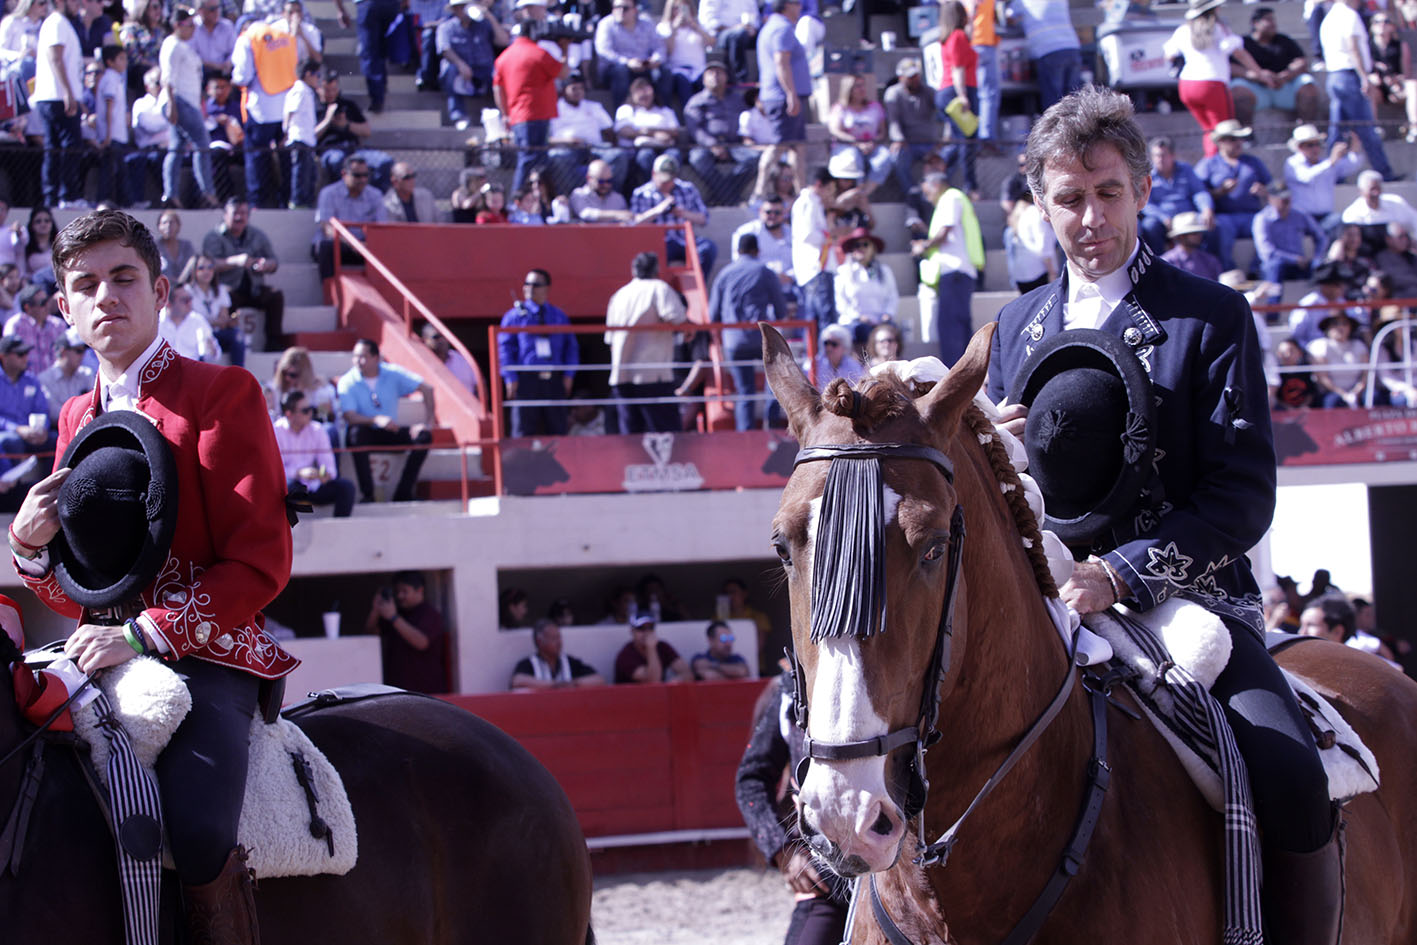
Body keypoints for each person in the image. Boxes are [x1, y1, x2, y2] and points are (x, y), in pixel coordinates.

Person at [987, 85, 1341, 945]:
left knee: (1290, 779)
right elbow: (1003, 500)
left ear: (1141, 190)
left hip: (1188, 606)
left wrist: (1124, 571)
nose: (1089, 216)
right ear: (1040, 205)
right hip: (1048, 603)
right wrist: (989, 451)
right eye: (1068, 198)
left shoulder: (1210, 316)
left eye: (1107, 192)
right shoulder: (1013, 328)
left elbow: (1240, 496)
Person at [12, 209, 294, 945]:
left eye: (123, 277)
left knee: (199, 825)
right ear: (65, 309)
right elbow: (83, 589)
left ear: (160, 289)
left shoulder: (221, 392)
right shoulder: (75, 415)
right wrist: (33, 549)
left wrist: (143, 632)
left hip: (211, 652)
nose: (106, 295)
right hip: (100, 651)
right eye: (85, 284)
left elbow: (262, 562)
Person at [735, 674, 850, 944]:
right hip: (827, 882)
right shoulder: (793, 689)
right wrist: (782, 850)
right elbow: (751, 779)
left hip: (903, 883)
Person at [336, 337, 435, 503]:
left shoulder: (392, 373)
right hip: (366, 432)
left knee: (424, 437)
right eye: (355, 356)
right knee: (355, 434)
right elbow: (349, 416)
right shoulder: (347, 381)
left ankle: (403, 493)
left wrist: (427, 424)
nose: (358, 361)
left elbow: (427, 389)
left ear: (376, 358)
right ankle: (368, 494)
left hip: (391, 431)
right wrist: (375, 420)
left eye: (363, 356)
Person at [709, 231, 790, 431]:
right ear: (757, 251)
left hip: (734, 341)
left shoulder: (724, 274)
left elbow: (712, 315)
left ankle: (745, 433)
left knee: (744, 391)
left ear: (738, 251)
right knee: (774, 384)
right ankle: (771, 426)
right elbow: (781, 310)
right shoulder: (764, 272)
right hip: (761, 338)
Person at [1162, 0, 1258, 159]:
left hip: (1187, 85)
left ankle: (1210, 161)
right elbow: (1237, 52)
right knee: (1223, 131)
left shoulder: (1183, 30)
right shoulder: (1219, 29)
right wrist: (1260, 73)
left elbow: (1169, 55)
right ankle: (1216, 168)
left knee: (1209, 131)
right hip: (1212, 84)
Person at [605, 251, 687, 434]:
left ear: (634, 270)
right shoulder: (659, 288)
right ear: (656, 269)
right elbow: (677, 318)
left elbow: (609, 340)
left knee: (631, 436)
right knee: (667, 437)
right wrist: (689, 329)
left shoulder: (619, 295)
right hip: (653, 376)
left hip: (622, 375)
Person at [1320, 0, 1396, 181]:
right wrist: (1364, 76)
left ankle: (1332, 176)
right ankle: (1385, 173)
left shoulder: (1329, 17)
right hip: (1350, 76)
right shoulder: (1349, 15)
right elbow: (1353, 47)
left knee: (1337, 131)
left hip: (1334, 76)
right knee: (1367, 128)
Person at [497, 268, 578, 436]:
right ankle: (523, 463)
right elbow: (504, 349)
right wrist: (510, 377)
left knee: (557, 429)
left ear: (546, 288)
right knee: (523, 430)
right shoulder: (514, 317)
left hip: (554, 380)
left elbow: (571, 347)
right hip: (526, 381)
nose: (529, 288)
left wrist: (569, 375)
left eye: (535, 284)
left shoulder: (559, 316)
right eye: (527, 283)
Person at [914, 171, 982, 366]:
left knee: (951, 329)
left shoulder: (950, 198)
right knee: (959, 327)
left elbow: (944, 232)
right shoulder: (955, 198)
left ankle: (955, 376)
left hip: (954, 274)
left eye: (927, 192)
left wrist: (923, 246)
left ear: (935, 185)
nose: (927, 198)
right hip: (959, 275)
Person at [492, 18, 566, 197]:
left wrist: (506, 114)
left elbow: (497, 89)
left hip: (518, 117)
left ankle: (533, 202)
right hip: (536, 115)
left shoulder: (504, 56)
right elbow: (563, 72)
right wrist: (565, 48)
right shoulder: (538, 53)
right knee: (530, 161)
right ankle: (516, 201)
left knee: (533, 161)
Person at [203, 198, 286, 351]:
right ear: (225, 215)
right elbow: (209, 265)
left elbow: (274, 262)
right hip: (228, 289)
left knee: (275, 296)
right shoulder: (214, 237)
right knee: (227, 298)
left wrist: (265, 265)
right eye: (235, 213)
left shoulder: (257, 235)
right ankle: (228, 342)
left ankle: (273, 343)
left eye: (243, 213)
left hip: (254, 288)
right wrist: (235, 261)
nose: (239, 217)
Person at [230, 17, 297, 208]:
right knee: (285, 158)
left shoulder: (247, 39)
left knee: (256, 157)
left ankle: (256, 203)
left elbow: (242, 76)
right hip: (286, 108)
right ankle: (287, 201)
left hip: (261, 110)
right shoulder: (283, 35)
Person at [159, 6, 218, 209]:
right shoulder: (172, 45)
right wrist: (171, 104)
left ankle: (171, 194)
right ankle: (207, 193)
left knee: (176, 148)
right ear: (177, 25)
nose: (193, 28)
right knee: (202, 143)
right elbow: (168, 76)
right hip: (178, 100)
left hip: (187, 101)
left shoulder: (184, 46)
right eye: (189, 25)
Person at [1194, 118, 1271, 273]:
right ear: (1221, 142)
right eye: (1233, 139)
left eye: (1240, 139)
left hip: (1252, 215)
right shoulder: (1208, 164)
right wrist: (1219, 192)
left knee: (1268, 224)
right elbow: (1198, 192)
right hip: (1224, 216)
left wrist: (1264, 191)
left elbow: (1272, 186)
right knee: (1221, 228)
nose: (1238, 143)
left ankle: (1257, 270)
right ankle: (1227, 271)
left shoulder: (1253, 162)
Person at [753, 0, 809, 200]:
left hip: (783, 95)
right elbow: (781, 63)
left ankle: (801, 191)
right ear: (787, 5)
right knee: (778, 145)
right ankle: (758, 192)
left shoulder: (772, 26)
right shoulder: (781, 28)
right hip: (783, 96)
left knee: (797, 146)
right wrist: (790, 94)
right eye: (797, 3)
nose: (800, 7)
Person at [630, 153, 718, 276]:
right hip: (658, 242)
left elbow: (704, 219)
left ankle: (697, 286)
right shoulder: (641, 193)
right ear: (654, 174)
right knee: (649, 257)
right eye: (663, 180)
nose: (667, 184)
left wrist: (683, 213)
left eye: (670, 180)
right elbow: (634, 222)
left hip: (684, 240)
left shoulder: (688, 189)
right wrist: (658, 210)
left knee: (708, 248)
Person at [1231, 6, 1319, 128]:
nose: (1273, 24)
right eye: (1268, 20)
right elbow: (1231, 67)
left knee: (1307, 83)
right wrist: (1258, 76)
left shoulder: (1284, 40)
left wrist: (1285, 76)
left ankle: (1306, 130)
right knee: (1237, 89)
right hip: (1255, 89)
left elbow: (1301, 62)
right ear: (1255, 23)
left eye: (1273, 20)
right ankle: (1246, 135)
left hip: (1283, 87)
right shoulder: (1243, 43)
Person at [685, 56, 756, 206]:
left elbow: (748, 120)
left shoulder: (737, 100)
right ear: (703, 79)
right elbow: (695, 129)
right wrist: (712, 144)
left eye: (719, 72)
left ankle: (723, 194)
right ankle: (731, 199)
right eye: (711, 73)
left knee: (755, 158)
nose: (715, 76)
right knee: (697, 159)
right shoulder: (696, 101)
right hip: (706, 146)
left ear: (726, 77)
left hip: (735, 144)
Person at [34, 0, 85, 208]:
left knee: (54, 149)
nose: (78, 4)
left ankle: (54, 197)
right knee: (68, 147)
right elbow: (55, 57)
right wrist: (68, 92)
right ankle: (68, 196)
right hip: (57, 97)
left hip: (53, 96)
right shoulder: (57, 22)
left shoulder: (56, 23)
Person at [273, 388, 354, 516]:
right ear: (289, 414)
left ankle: (338, 530)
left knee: (346, 488)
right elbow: (274, 471)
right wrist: (298, 473)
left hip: (314, 485)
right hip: (291, 486)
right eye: (305, 411)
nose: (310, 413)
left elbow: (330, 467)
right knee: (281, 488)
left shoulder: (317, 429)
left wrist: (323, 474)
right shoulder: (276, 431)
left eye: (311, 409)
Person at [365, 570, 449, 692]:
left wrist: (394, 618)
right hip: (397, 690)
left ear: (419, 590)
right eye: (397, 592)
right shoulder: (396, 612)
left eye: (404, 591)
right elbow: (370, 635)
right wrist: (375, 610)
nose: (399, 596)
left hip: (427, 692)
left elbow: (422, 643)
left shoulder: (430, 614)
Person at [547, 71, 627, 197]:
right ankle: (576, 198)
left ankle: (610, 196)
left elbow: (609, 131)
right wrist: (567, 141)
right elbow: (546, 139)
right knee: (557, 157)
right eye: (574, 88)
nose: (578, 92)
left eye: (581, 88)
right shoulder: (553, 108)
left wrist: (612, 145)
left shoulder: (593, 106)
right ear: (564, 90)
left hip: (595, 147)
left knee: (618, 155)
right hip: (568, 149)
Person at [315, 68, 391, 192]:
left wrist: (346, 125)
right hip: (331, 150)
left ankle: (372, 196)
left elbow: (367, 131)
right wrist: (327, 121)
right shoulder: (313, 108)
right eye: (327, 90)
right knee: (337, 161)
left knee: (384, 161)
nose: (331, 93)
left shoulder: (348, 105)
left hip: (354, 149)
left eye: (334, 89)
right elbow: (312, 137)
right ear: (318, 89)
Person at [313, 155, 387, 281]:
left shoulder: (375, 195)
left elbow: (382, 227)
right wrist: (354, 244)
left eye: (365, 175)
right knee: (326, 247)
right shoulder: (329, 193)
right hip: (340, 243)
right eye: (357, 176)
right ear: (344, 174)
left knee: (388, 248)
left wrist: (368, 244)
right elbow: (328, 228)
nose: (362, 179)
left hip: (365, 245)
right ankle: (330, 294)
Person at [1141, 136, 1215, 256]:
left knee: (1212, 224)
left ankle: (1206, 264)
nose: (1160, 159)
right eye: (1156, 155)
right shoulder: (1147, 175)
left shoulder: (1185, 170)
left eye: (1163, 155)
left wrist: (1206, 209)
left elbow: (1199, 192)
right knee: (1150, 225)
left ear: (1172, 155)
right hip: (1163, 219)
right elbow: (1145, 203)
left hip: (1188, 216)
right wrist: (1163, 217)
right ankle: (1157, 263)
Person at [1253, 184, 1327, 301]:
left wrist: (1316, 257)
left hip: (1300, 265)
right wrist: (1294, 259)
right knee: (1274, 266)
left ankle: (1321, 309)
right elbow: (1267, 252)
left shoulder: (1299, 214)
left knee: (1320, 266)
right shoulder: (1262, 219)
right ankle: (1273, 315)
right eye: (1281, 197)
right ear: (1270, 199)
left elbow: (1321, 237)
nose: (1286, 200)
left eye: (1288, 197)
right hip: (1276, 265)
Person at [438, 0, 504, 129]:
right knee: (449, 70)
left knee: (499, 74)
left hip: (484, 69)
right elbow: (444, 49)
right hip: (460, 71)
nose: (463, 10)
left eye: (465, 6)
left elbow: (503, 41)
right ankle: (459, 115)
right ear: (454, 10)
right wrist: (460, 64)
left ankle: (500, 114)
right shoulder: (446, 27)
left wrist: (489, 16)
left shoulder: (484, 25)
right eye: (460, 7)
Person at [1284, 124, 1361, 235]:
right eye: (1310, 145)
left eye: (1317, 144)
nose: (1315, 148)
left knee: (1340, 222)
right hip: (1302, 217)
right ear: (1300, 147)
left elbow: (1349, 166)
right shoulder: (1292, 163)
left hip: (1325, 217)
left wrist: (1354, 149)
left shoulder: (1325, 163)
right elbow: (1307, 177)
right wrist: (1330, 162)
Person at [936, 3, 979, 198]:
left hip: (947, 91)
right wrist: (963, 96)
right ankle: (969, 185)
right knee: (966, 140)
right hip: (959, 90)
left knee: (958, 140)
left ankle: (938, 177)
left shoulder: (949, 38)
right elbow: (958, 69)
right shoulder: (958, 37)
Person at [1007, 0, 1081, 110]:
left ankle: (1056, 127)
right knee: (1074, 100)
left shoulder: (1022, 2)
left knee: (1054, 102)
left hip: (1048, 50)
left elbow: (1008, 17)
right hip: (1072, 47)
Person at [826, 73, 891, 198]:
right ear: (848, 89)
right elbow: (835, 130)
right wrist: (856, 143)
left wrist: (873, 142)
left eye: (863, 86)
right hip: (846, 146)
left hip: (872, 146)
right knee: (854, 158)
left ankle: (863, 194)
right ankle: (854, 192)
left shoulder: (875, 107)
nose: (862, 89)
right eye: (857, 86)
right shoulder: (840, 108)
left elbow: (882, 131)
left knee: (884, 157)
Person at [594, 0, 666, 108]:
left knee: (665, 73)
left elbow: (659, 47)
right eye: (616, 7)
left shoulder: (647, 24)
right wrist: (627, 62)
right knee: (621, 71)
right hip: (615, 69)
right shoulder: (606, 24)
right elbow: (603, 51)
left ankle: (665, 114)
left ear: (635, 10)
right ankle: (622, 116)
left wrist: (655, 60)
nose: (620, 11)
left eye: (625, 8)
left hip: (644, 67)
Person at [331, 0, 400, 114]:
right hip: (391, 4)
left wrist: (341, 10)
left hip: (369, 5)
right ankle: (380, 87)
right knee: (379, 48)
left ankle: (377, 95)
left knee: (370, 52)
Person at [883, 57, 938, 198]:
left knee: (952, 152)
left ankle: (934, 191)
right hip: (907, 144)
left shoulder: (929, 92)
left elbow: (945, 113)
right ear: (901, 77)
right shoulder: (893, 93)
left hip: (929, 143)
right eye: (910, 77)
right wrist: (898, 139)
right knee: (897, 157)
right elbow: (893, 121)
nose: (915, 79)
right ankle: (913, 193)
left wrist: (944, 140)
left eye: (916, 75)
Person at [613, 76, 680, 188]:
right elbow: (625, 131)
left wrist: (654, 133)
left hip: (664, 147)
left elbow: (675, 131)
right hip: (637, 150)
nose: (644, 95)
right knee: (646, 155)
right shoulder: (626, 109)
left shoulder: (665, 110)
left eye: (647, 90)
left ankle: (672, 188)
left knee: (674, 155)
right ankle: (653, 189)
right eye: (639, 91)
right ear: (632, 94)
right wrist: (653, 134)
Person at [832, 227, 897, 343]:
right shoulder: (843, 272)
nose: (861, 249)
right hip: (854, 322)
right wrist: (859, 317)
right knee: (862, 331)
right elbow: (841, 303)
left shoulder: (884, 271)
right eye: (857, 245)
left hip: (880, 321)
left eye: (865, 244)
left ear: (872, 248)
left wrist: (887, 314)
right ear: (852, 250)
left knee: (891, 333)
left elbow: (892, 297)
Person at [509, 617, 605, 689]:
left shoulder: (569, 662)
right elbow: (517, 681)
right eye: (554, 639)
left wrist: (574, 683)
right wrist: (555, 685)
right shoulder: (529, 663)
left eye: (559, 637)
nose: (559, 642)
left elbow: (599, 680)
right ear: (539, 641)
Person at [0, 335, 53, 462]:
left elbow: (42, 409)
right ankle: (13, 482)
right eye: (20, 354)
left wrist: (42, 429)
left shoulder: (31, 380)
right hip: (8, 433)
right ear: (3, 357)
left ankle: (55, 482)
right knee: (11, 441)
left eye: (26, 353)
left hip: (32, 433)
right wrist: (17, 429)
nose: (25, 358)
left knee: (54, 439)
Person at [186, 253, 243, 367]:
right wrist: (213, 322)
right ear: (194, 270)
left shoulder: (220, 290)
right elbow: (191, 322)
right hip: (196, 335)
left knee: (237, 336)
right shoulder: (187, 291)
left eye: (210, 268)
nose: (207, 272)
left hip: (216, 334)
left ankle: (239, 374)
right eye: (201, 268)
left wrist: (217, 322)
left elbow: (222, 321)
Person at [1368, 12, 1417, 144]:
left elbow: (1406, 73)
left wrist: (1397, 82)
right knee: (1369, 86)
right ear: (1372, 27)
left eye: (1386, 21)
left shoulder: (1401, 46)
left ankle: (1414, 128)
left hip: (1396, 85)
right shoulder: (1368, 47)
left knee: (1413, 85)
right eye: (1377, 22)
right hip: (1378, 87)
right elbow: (1367, 71)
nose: (1382, 25)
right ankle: (1373, 129)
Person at [1307, 309, 1371, 407]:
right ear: (1328, 328)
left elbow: (1366, 375)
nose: (1340, 327)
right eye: (1335, 324)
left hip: (1357, 391)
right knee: (1333, 401)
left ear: (1350, 327)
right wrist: (1344, 395)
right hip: (1330, 392)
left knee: (1373, 397)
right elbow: (1322, 378)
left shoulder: (1359, 345)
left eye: (1344, 324)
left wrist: (1356, 392)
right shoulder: (1319, 346)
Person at [282, 57, 320, 209]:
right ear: (308, 74)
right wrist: (286, 132)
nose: (318, 79)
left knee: (309, 174)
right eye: (317, 74)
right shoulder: (299, 90)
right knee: (300, 174)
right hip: (299, 138)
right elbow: (290, 112)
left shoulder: (307, 91)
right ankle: (297, 202)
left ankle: (306, 201)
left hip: (307, 139)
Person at [660, 0, 710, 112]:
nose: (680, 11)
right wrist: (674, 29)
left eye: (684, 8)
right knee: (684, 86)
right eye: (677, 8)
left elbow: (711, 43)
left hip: (699, 69)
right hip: (677, 70)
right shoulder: (664, 27)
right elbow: (667, 51)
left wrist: (695, 27)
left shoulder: (698, 25)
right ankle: (690, 118)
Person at [613, 611, 690, 683]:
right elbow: (653, 681)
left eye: (650, 628)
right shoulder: (626, 655)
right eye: (641, 628)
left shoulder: (662, 647)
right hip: (631, 696)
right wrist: (651, 648)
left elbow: (687, 674)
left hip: (658, 696)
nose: (646, 632)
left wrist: (677, 680)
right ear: (632, 631)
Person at [36, 327, 92, 422]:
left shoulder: (86, 374)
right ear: (63, 352)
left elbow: (95, 405)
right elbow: (53, 413)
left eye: (83, 351)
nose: (82, 355)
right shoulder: (45, 379)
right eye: (78, 351)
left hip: (83, 426)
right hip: (59, 429)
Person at [699, 0, 757, 85]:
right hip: (719, 35)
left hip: (746, 33)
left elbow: (756, 18)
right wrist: (735, 28)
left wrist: (752, 28)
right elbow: (708, 21)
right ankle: (739, 79)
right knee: (737, 35)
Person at [158, 281, 219, 360]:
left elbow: (213, 355)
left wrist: (212, 349)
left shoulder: (198, 321)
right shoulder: (156, 322)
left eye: (190, 299)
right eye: (185, 300)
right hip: (163, 369)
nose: (189, 303)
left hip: (190, 369)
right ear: (169, 304)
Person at [4, 282, 66, 357]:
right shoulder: (15, 325)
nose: (47, 305)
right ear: (27, 307)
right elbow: (10, 357)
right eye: (42, 303)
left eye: (46, 301)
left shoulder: (58, 325)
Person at [420, 321, 479, 398]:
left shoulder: (463, 360)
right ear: (425, 340)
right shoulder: (421, 363)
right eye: (436, 337)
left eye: (444, 336)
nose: (442, 340)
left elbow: (479, 387)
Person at [1161, 211, 1223, 281]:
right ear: (1182, 236)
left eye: (1199, 232)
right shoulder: (1168, 261)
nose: (1199, 236)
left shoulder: (1210, 260)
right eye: (1194, 233)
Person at [568, 157, 632, 222]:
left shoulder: (618, 198)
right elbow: (585, 214)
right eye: (601, 181)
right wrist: (615, 215)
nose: (605, 185)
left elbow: (627, 219)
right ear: (589, 178)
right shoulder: (579, 194)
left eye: (609, 181)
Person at [190, 0, 235, 77]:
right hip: (198, 74)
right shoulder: (191, 27)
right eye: (212, 9)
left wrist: (228, 62)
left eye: (218, 8)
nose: (217, 12)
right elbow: (190, 55)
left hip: (224, 74)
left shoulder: (227, 26)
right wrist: (211, 65)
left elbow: (234, 51)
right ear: (200, 10)